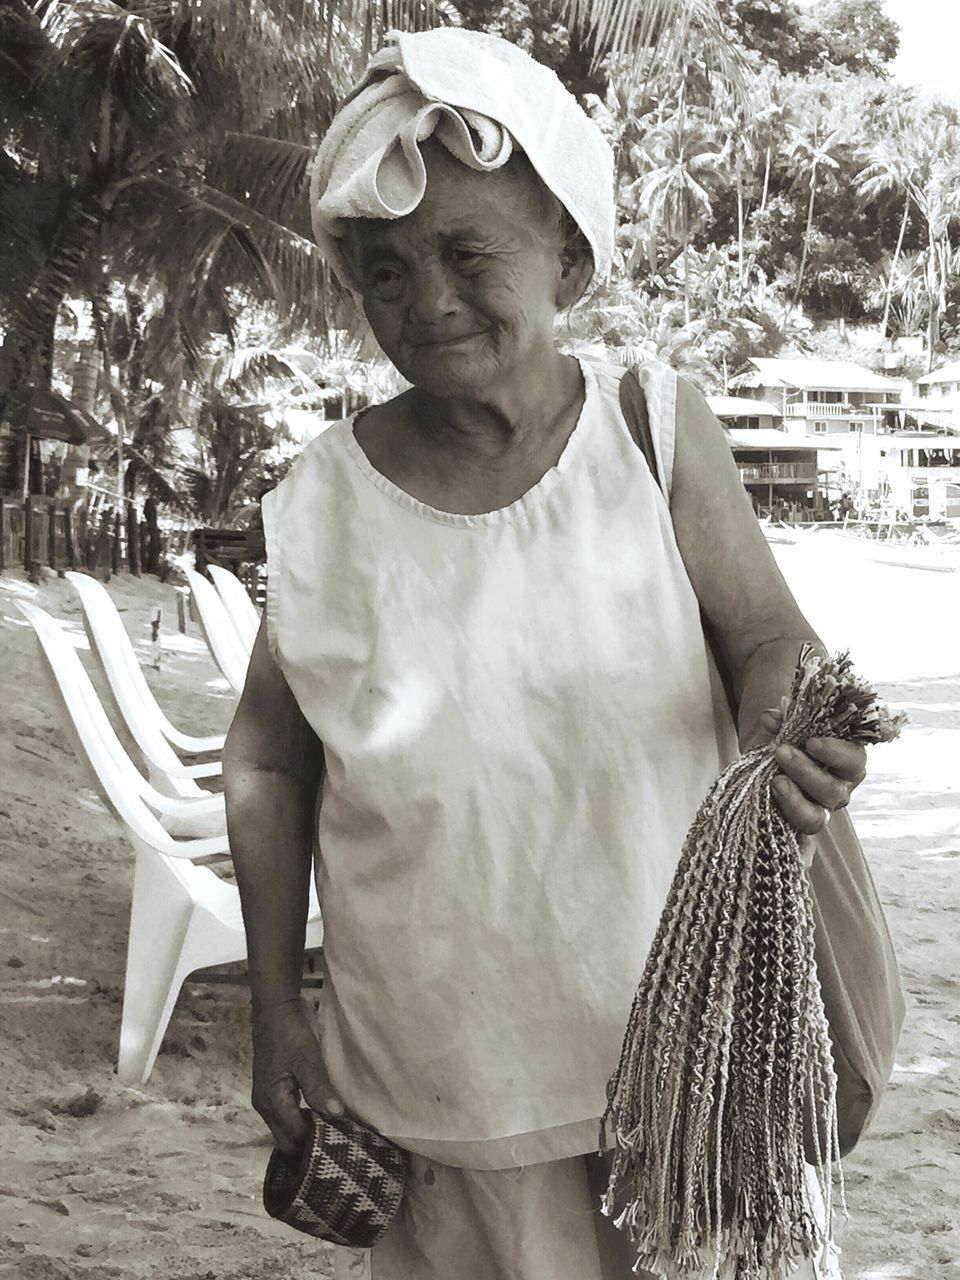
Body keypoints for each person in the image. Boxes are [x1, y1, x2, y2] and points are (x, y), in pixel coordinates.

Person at [223, 28, 866, 1280]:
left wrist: (788, 727)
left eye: (469, 251)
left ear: (568, 254)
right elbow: (267, 761)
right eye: (384, 272)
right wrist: (273, 1006)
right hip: (443, 1070)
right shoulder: (320, 501)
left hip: (679, 1058)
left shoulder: (653, 430)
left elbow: (769, 637)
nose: (428, 299)